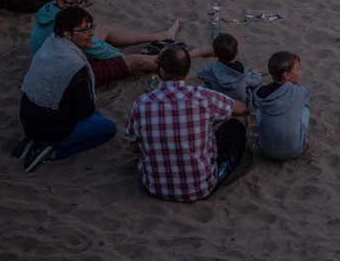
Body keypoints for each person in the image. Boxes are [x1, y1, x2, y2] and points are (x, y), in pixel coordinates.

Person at [124, 45, 249, 202]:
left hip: (154, 186)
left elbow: (134, 148)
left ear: (162, 71)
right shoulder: (204, 98)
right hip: (201, 187)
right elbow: (241, 108)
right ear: (187, 71)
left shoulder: (141, 104)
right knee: (239, 120)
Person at [29, 0, 212, 84]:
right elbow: (103, 50)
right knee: (137, 61)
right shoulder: (67, 33)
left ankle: (161, 36)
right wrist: (121, 59)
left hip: (48, 60)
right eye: (74, 3)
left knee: (102, 30)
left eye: (81, 2)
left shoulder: (50, 10)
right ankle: (191, 55)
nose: (79, 7)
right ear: (61, 2)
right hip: (71, 73)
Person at [18, 7, 117, 172]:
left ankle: (36, 140)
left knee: (94, 115)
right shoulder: (74, 64)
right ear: (67, 34)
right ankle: (55, 152)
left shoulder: (50, 43)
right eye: (84, 30)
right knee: (109, 129)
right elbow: (84, 110)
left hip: (28, 120)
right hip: (53, 129)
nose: (91, 33)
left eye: (90, 27)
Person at [254, 51, 311, 161]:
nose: (300, 72)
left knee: (259, 110)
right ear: (286, 75)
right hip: (295, 150)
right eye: (298, 69)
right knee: (305, 107)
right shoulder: (299, 91)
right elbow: (306, 94)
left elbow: (256, 98)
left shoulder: (261, 92)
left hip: (266, 150)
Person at [196, 33, 261, 108]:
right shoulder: (243, 72)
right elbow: (256, 81)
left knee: (207, 83)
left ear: (214, 54)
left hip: (219, 105)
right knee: (252, 81)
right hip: (240, 106)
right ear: (237, 52)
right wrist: (255, 72)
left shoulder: (212, 69)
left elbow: (199, 74)